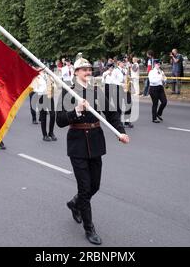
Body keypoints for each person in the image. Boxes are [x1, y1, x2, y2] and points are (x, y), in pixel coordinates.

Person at [57, 53, 129, 245]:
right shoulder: (67, 92)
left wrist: (119, 132)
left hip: (96, 142)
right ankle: (89, 229)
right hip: (77, 143)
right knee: (85, 187)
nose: (88, 72)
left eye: (90, 69)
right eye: (84, 70)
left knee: (95, 185)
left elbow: (112, 115)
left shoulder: (98, 92)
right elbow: (60, 121)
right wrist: (76, 111)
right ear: (76, 72)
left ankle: (75, 203)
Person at [36, 70, 57, 141]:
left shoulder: (49, 76)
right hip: (42, 96)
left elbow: (55, 85)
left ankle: (51, 133)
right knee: (43, 116)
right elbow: (35, 88)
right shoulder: (37, 77)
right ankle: (44, 135)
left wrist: (53, 85)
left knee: (53, 115)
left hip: (50, 96)